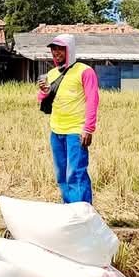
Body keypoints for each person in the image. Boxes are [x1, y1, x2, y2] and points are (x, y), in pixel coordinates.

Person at [36, 33, 100, 204]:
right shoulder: (51, 74)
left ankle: (82, 212)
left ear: (69, 49)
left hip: (76, 131)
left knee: (75, 174)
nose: (56, 52)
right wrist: (44, 91)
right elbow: (42, 99)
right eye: (53, 49)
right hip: (56, 130)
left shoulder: (85, 71)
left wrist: (88, 128)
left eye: (60, 49)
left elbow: (93, 99)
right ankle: (69, 209)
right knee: (62, 175)